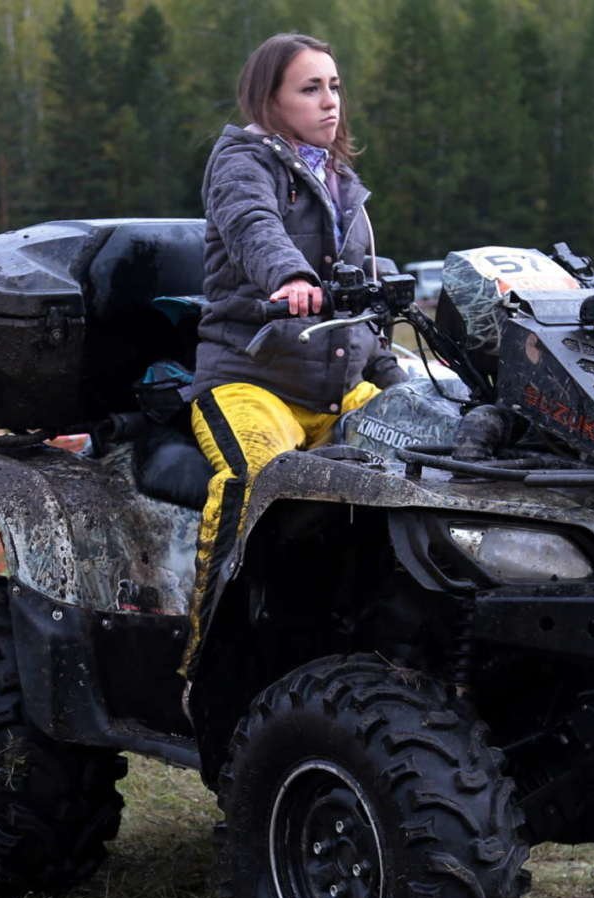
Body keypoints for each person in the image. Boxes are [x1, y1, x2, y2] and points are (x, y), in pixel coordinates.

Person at [182, 31, 400, 678]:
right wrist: (290, 277)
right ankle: (209, 656)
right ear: (269, 100)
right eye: (311, 88)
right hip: (251, 381)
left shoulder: (342, 187)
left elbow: (364, 300)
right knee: (256, 480)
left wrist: (397, 380)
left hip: (336, 391)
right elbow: (254, 224)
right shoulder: (241, 162)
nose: (330, 101)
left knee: (434, 449)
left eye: (334, 85)